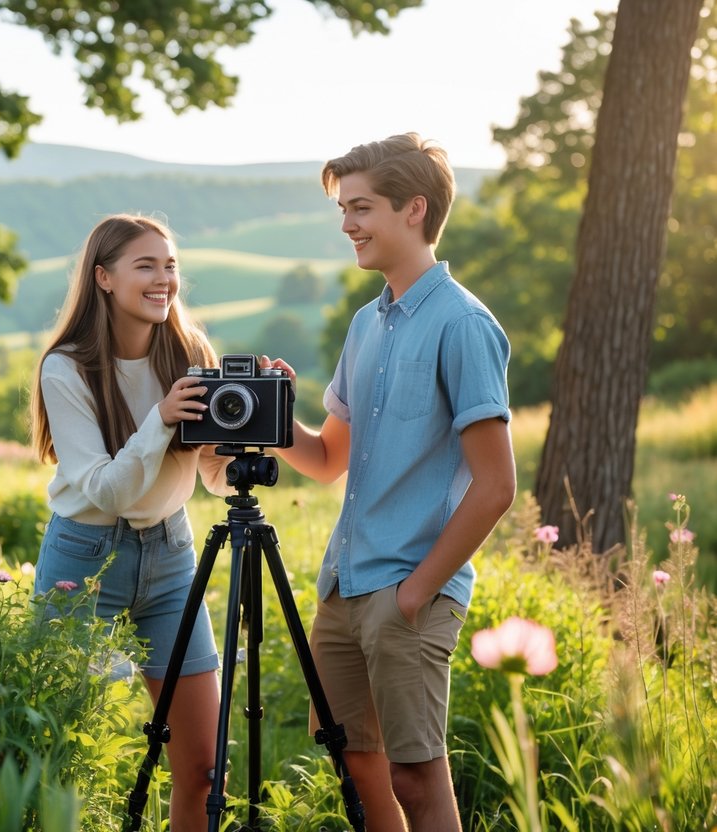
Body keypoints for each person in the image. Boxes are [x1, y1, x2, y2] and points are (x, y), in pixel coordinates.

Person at [263, 133, 517, 831]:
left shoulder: (462, 324)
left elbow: (495, 486)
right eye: (342, 209)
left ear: (413, 209)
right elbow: (325, 460)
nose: (346, 224)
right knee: (353, 760)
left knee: (415, 773)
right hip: (344, 585)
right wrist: (272, 412)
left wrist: (416, 590)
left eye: (360, 208)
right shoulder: (364, 324)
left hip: (409, 586)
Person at [28, 213, 234, 831]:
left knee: (202, 766)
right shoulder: (65, 368)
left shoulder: (190, 353)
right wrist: (164, 419)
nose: (163, 279)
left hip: (171, 556)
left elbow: (213, 476)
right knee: (58, 755)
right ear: (104, 278)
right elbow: (106, 492)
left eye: (169, 265)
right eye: (145, 265)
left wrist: (252, 432)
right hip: (84, 559)